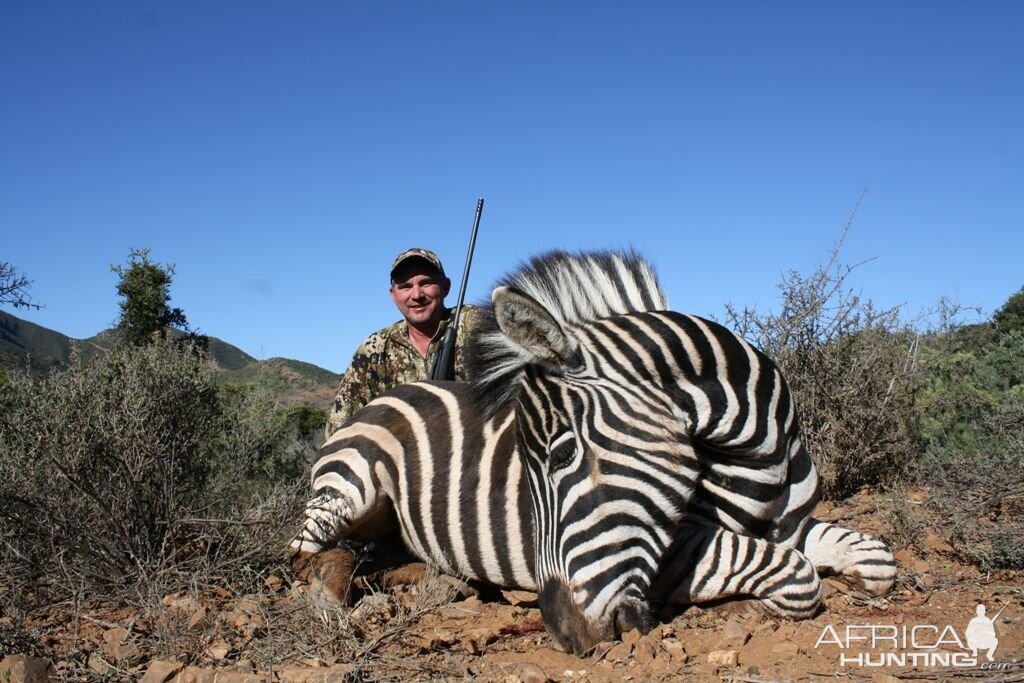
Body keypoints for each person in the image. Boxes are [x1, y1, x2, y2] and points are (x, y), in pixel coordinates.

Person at [325, 247, 480, 438]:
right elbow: (338, 431)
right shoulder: (374, 350)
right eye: (405, 286)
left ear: (446, 287)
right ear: (393, 294)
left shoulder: (477, 326)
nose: (416, 295)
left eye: (426, 283)